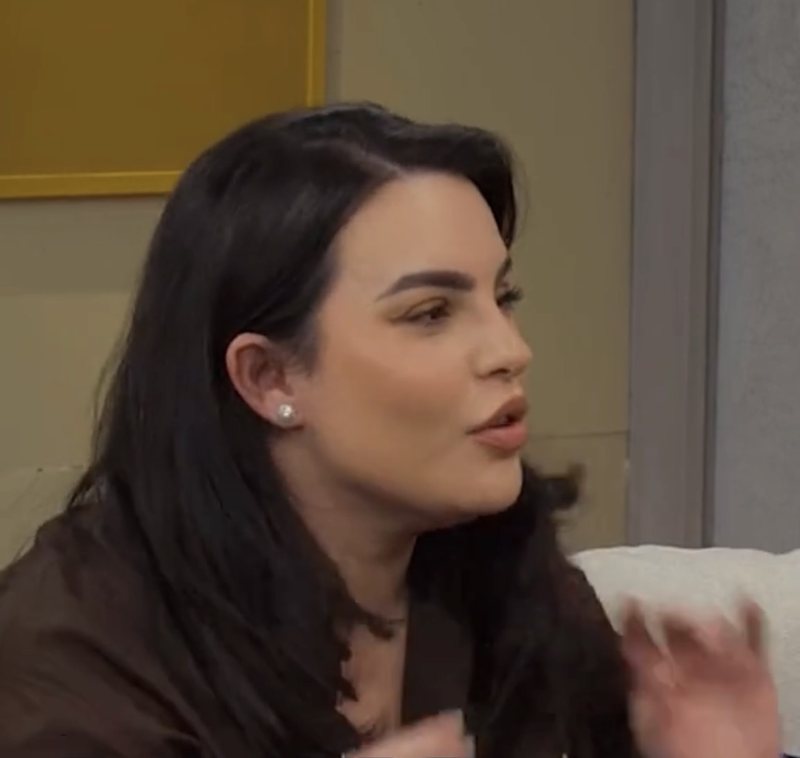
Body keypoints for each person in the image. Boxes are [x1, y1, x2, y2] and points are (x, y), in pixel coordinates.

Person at [0, 103, 780, 758]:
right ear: (269, 378)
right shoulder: (76, 642)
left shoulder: (500, 563)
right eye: (431, 313)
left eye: (502, 298)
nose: (511, 350)